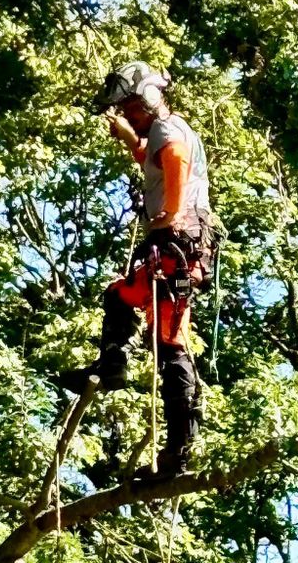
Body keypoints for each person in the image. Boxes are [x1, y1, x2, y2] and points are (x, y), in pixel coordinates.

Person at [60, 61, 215, 476]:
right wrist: (131, 142)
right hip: (181, 245)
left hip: (177, 241)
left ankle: (177, 447)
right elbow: (157, 159)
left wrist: (169, 211)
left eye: (131, 106)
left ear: (148, 97)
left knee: (166, 338)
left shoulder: (169, 128)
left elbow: (176, 159)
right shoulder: (168, 130)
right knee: (138, 310)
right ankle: (173, 447)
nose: (129, 113)